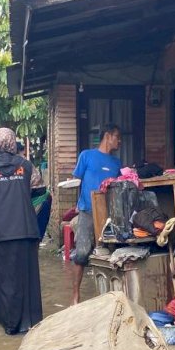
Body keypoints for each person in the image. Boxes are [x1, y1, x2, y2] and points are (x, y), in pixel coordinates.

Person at [0, 127, 43, 335]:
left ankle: (5, 324)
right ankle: (26, 325)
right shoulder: (27, 166)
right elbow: (40, 192)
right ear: (13, 143)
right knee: (26, 278)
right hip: (25, 230)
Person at [71, 123, 121, 305]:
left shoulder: (117, 163)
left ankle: (109, 297)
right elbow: (76, 181)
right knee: (82, 253)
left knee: (109, 254)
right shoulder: (86, 156)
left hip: (109, 215)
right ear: (108, 136)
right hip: (87, 211)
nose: (119, 141)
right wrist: (76, 206)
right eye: (117, 137)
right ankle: (75, 295)